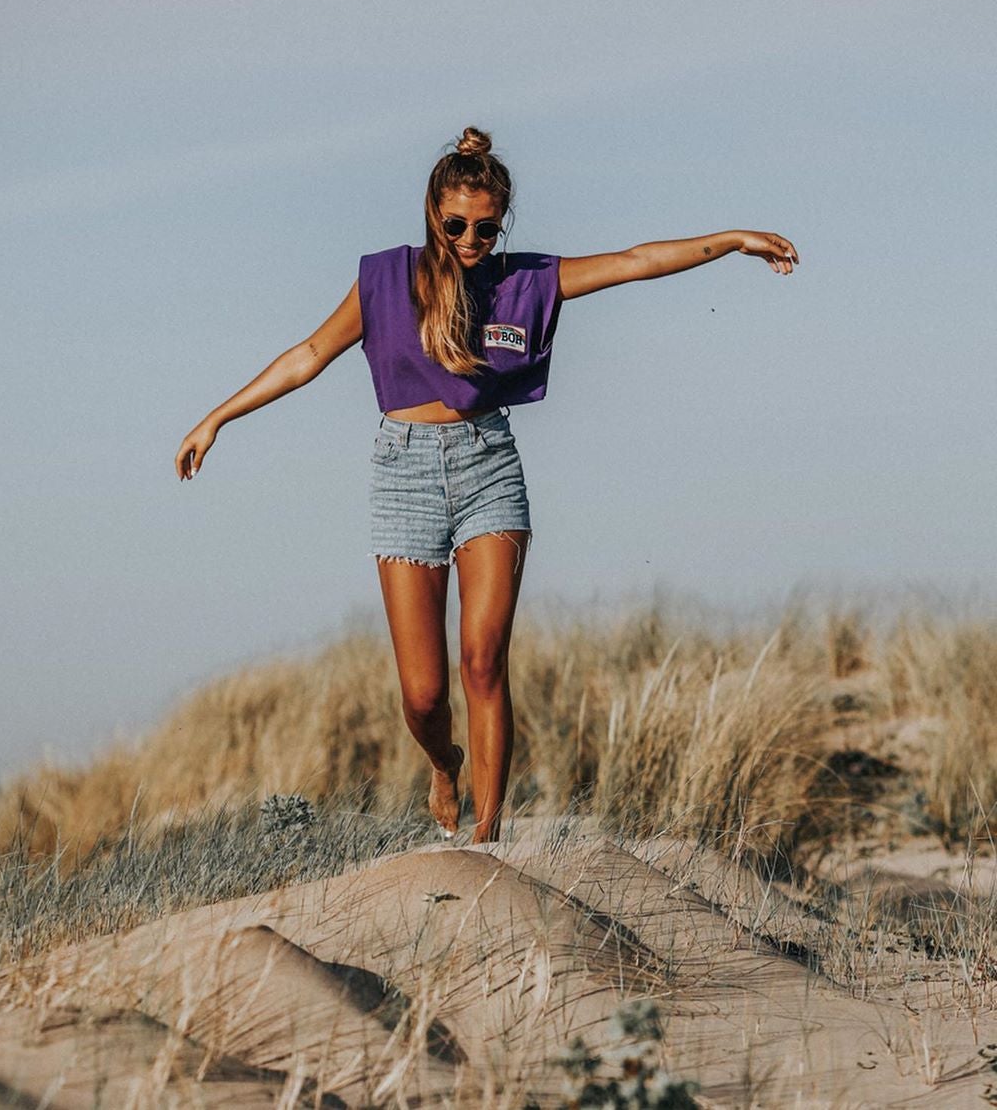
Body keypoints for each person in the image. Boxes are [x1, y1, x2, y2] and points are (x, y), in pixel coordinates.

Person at [175, 126, 799, 844]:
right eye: (456, 224)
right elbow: (310, 353)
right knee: (423, 694)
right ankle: (444, 764)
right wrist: (218, 417)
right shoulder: (385, 279)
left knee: (482, 660)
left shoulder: (523, 281)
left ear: (500, 223)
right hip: (403, 471)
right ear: (432, 214)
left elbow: (634, 262)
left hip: (488, 466)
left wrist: (734, 238)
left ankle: (488, 841)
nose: (470, 238)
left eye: (485, 226)